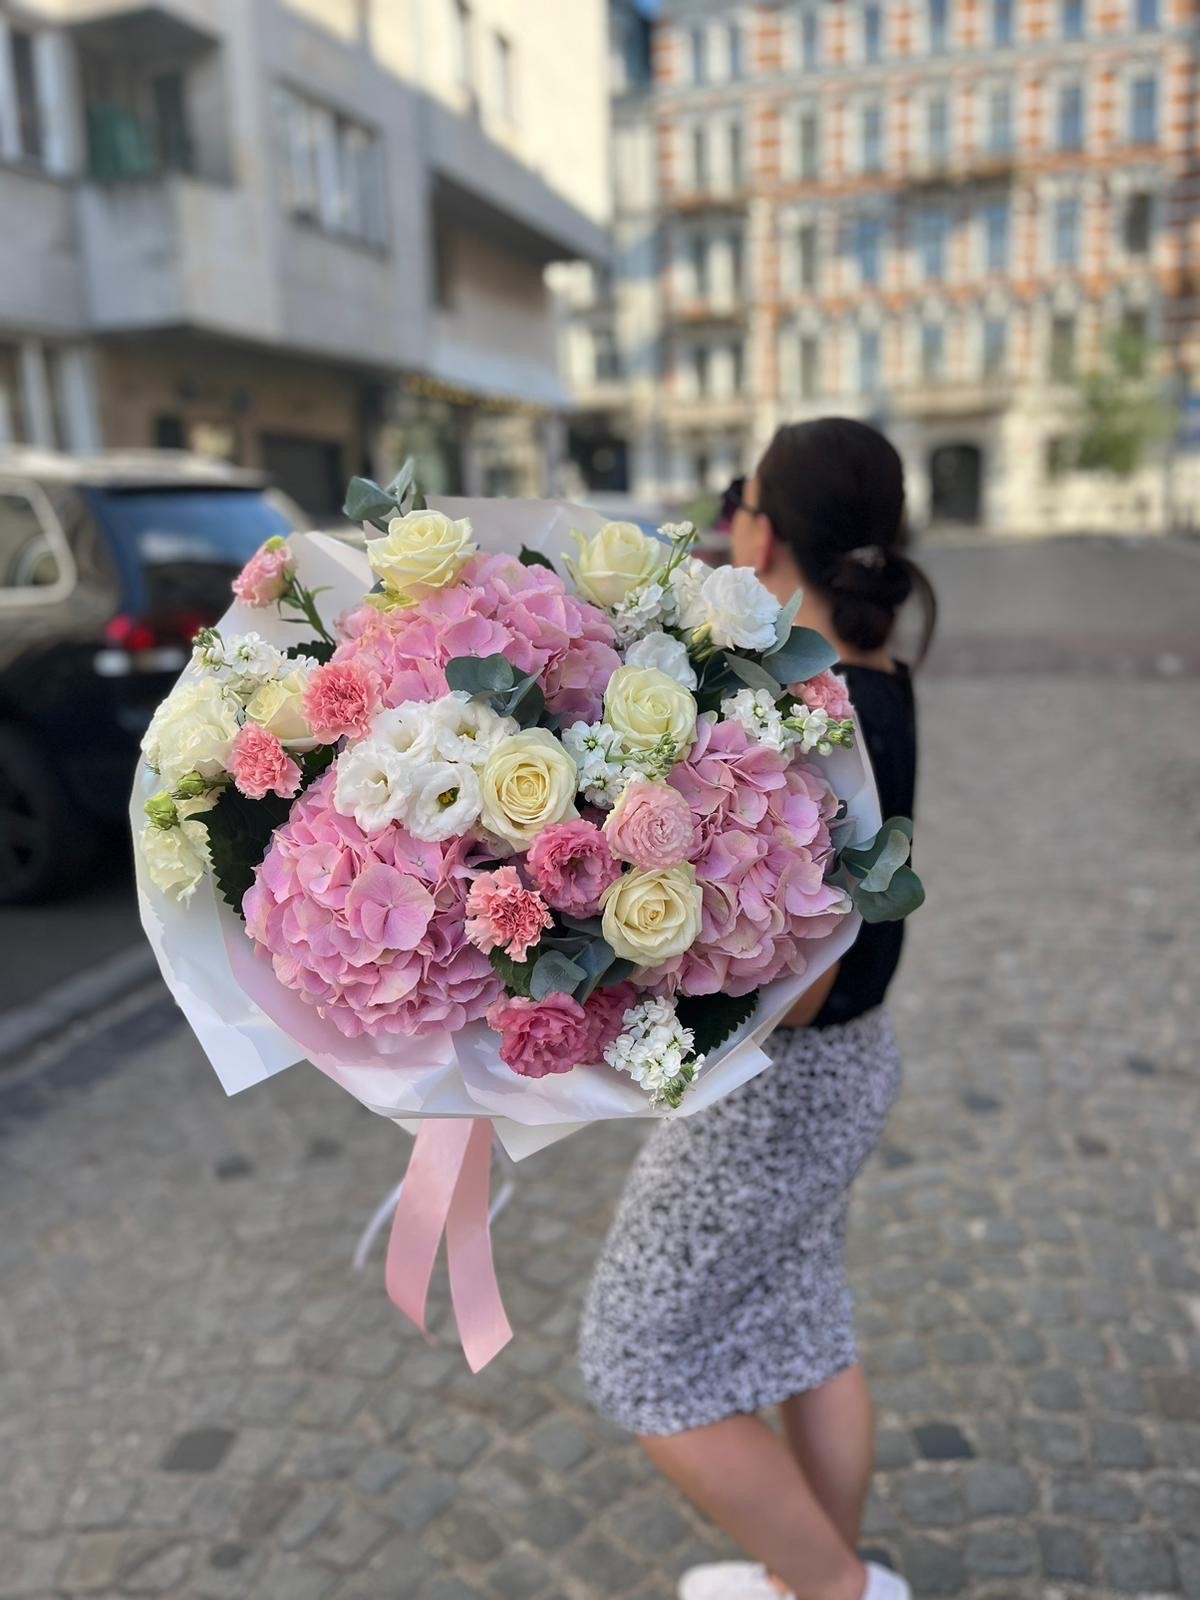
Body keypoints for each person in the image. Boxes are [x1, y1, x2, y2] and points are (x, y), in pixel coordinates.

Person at [578, 418, 937, 1600]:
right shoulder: (878, 683)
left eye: (738, 498)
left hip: (778, 1087)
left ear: (763, 525)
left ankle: (834, 1590)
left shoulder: (814, 701)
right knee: (802, 1325)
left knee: (641, 1361)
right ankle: (813, 1585)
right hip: (849, 1069)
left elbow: (806, 970)